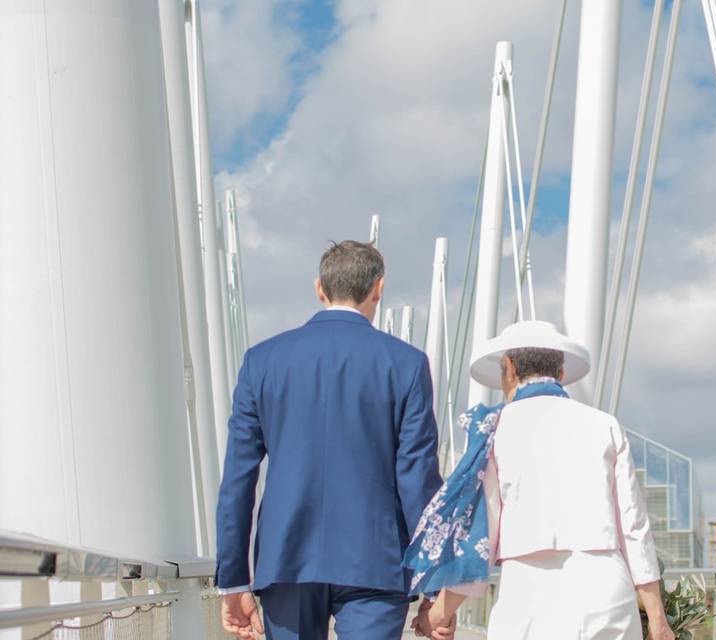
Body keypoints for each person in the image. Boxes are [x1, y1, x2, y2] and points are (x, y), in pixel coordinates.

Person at [216, 240, 445, 640]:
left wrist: (234, 579)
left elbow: (239, 477)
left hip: (286, 555)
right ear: (379, 288)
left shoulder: (262, 361)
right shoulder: (406, 364)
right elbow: (418, 479)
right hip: (376, 560)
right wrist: (436, 578)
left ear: (319, 288)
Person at [405, 320, 676, 640]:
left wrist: (438, 614)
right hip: (606, 591)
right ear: (560, 373)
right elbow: (634, 529)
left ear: (509, 368)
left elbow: (480, 535)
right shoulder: (604, 425)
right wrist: (657, 619)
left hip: (530, 594)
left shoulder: (495, 429)